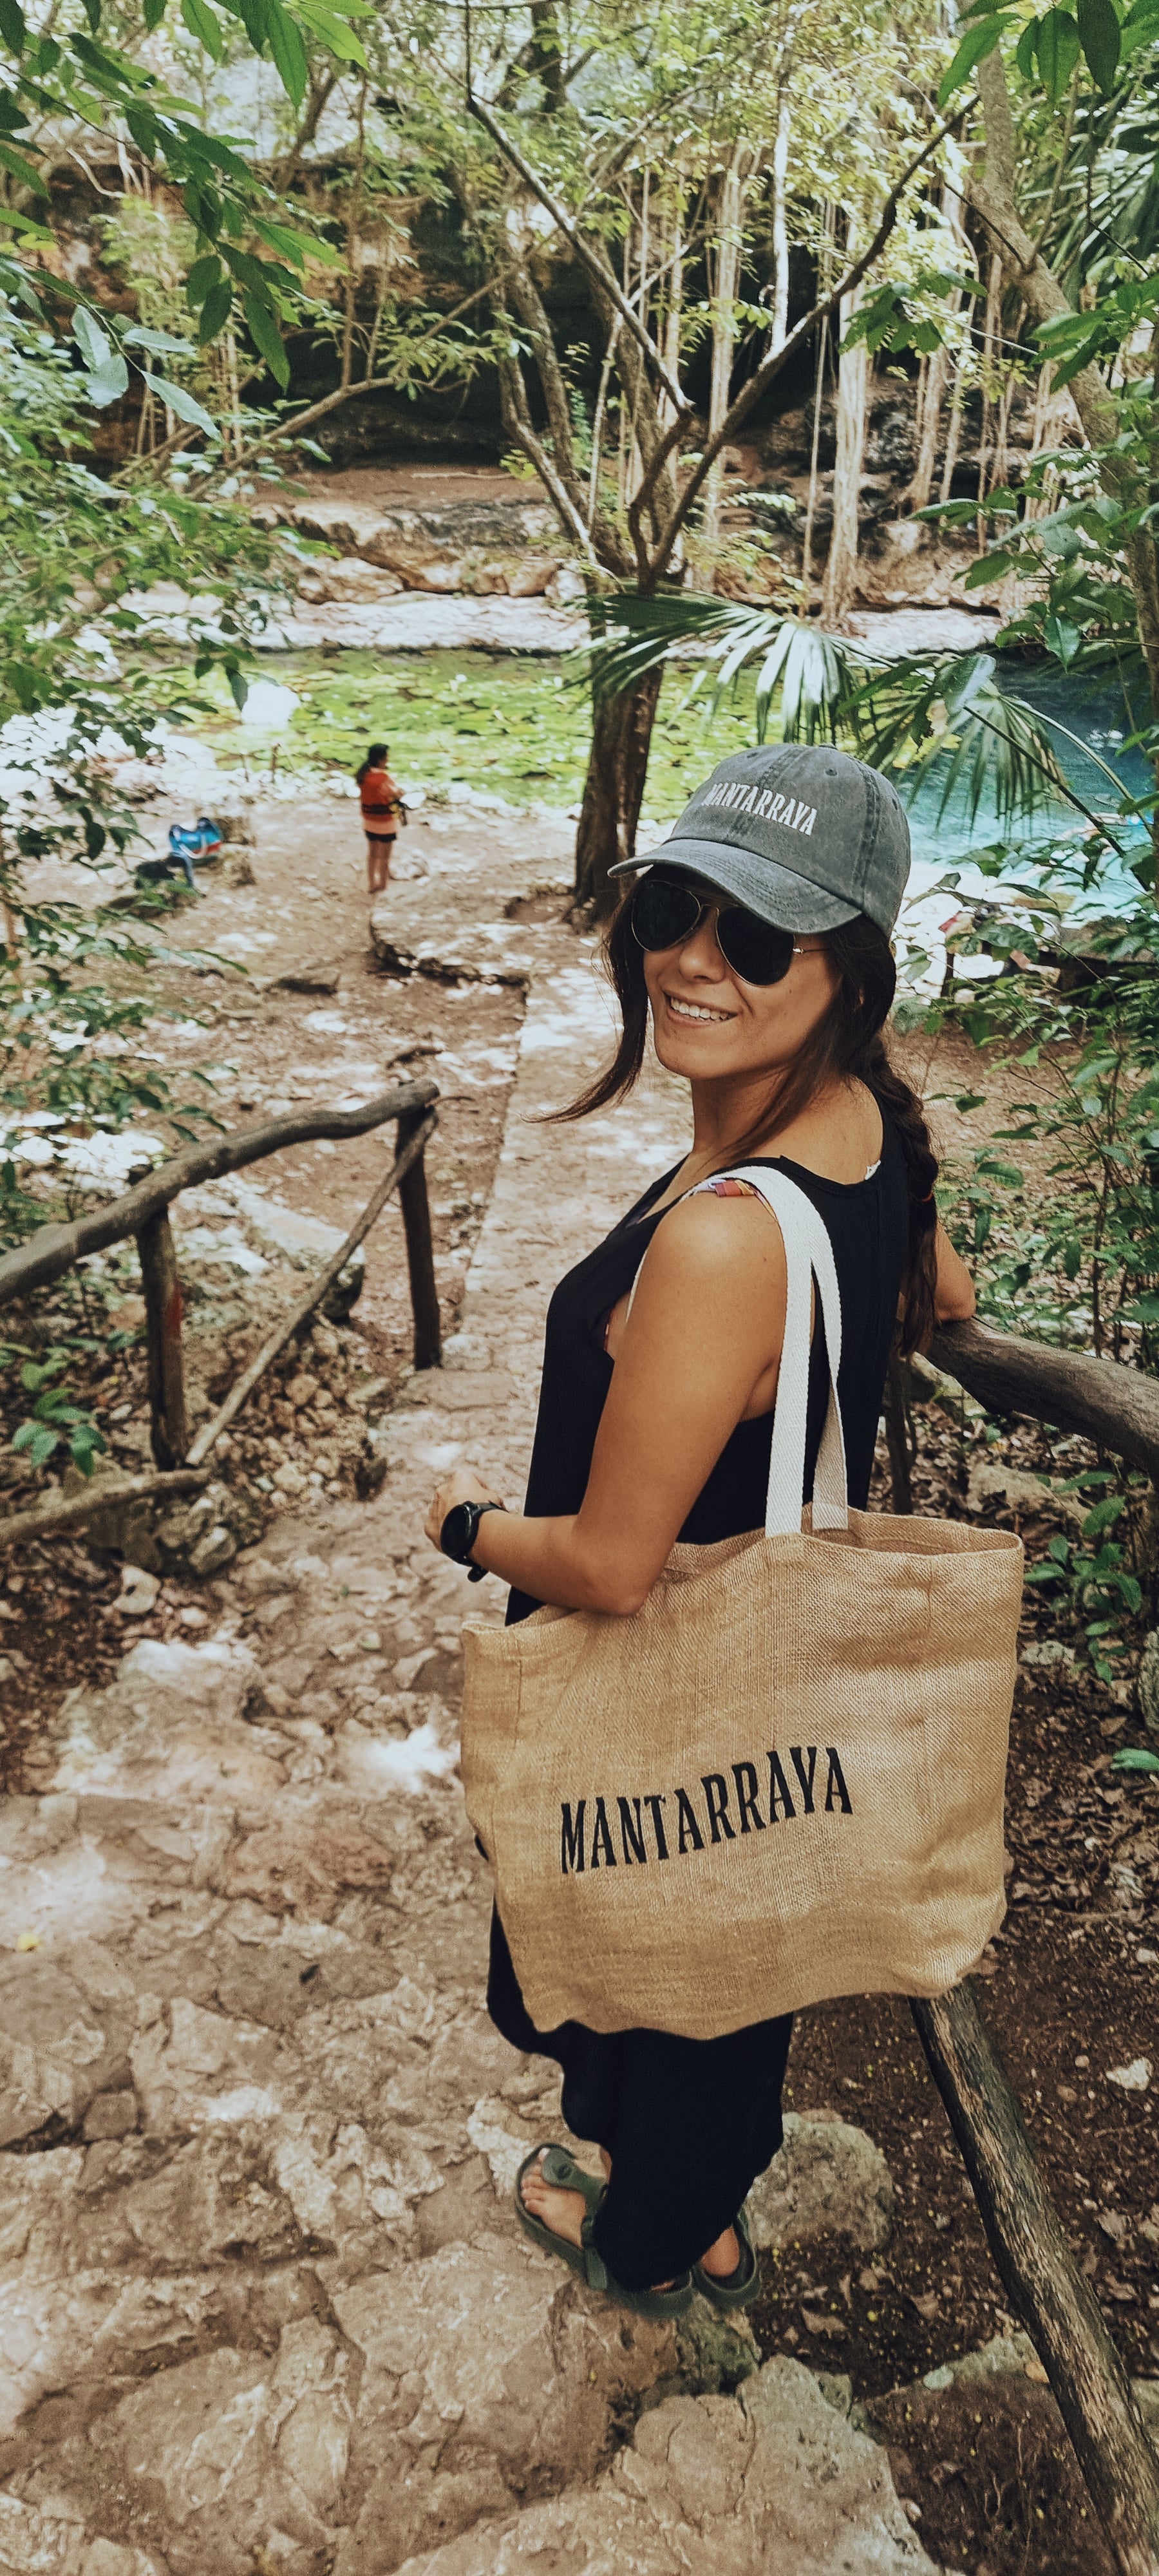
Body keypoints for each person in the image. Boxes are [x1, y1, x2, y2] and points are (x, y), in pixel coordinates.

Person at [424, 743, 976, 2318]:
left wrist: (465, 1522)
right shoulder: (868, 1119)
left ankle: (659, 2241)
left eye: (755, 936)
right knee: (728, 1956)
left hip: (660, 1661)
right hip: (763, 1673)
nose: (688, 957)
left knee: (659, 1962)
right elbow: (945, 1295)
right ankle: (693, 2201)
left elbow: (606, 1561)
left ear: (851, 965)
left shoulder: (733, 1238)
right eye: (675, 905)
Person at [356, 743, 406, 895]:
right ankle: (382, 883)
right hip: (386, 824)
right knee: (385, 856)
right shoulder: (384, 779)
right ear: (381, 760)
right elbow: (397, 793)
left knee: (372, 854)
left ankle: (372, 883)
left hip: (369, 822)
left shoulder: (363, 776)